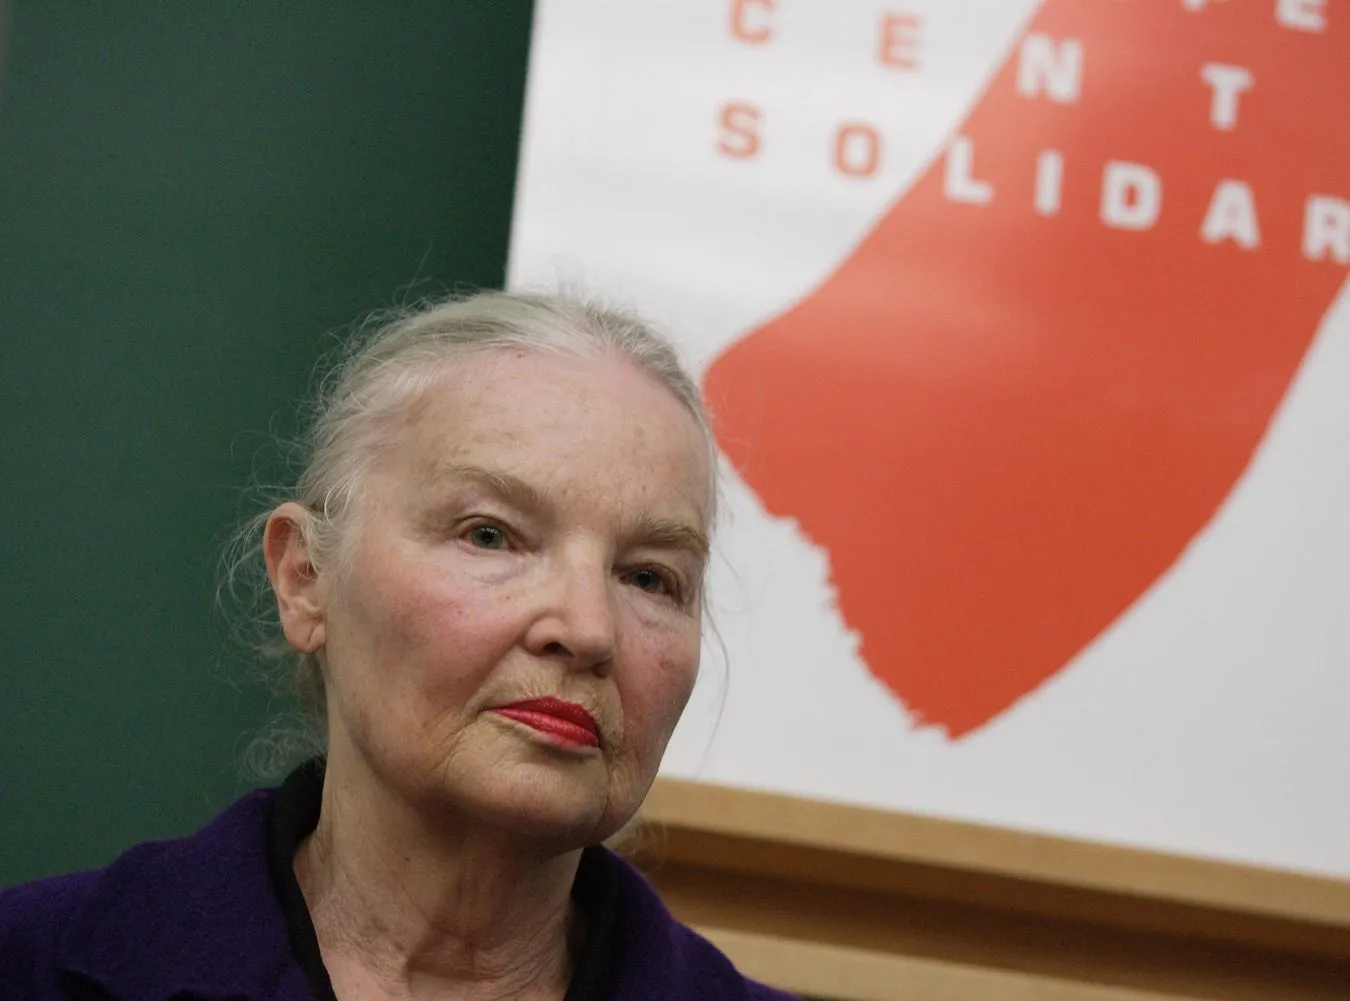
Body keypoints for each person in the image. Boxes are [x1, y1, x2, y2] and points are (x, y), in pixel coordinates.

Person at [0, 291, 798, 1001]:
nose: (589, 628)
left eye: (651, 578)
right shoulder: (30, 967)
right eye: (490, 535)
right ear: (305, 579)